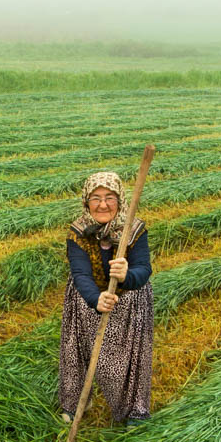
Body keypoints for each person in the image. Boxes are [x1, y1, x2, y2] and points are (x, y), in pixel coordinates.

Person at [58, 170, 153, 426]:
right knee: (76, 351)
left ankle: (134, 409)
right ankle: (76, 402)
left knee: (126, 360)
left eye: (110, 197)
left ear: (120, 200)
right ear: (86, 201)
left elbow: (144, 269)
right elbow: (80, 273)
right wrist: (95, 299)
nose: (102, 204)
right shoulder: (78, 231)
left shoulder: (133, 229)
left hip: (128, 300)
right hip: (87, 300)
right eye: (96, 197)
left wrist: (127, 275)